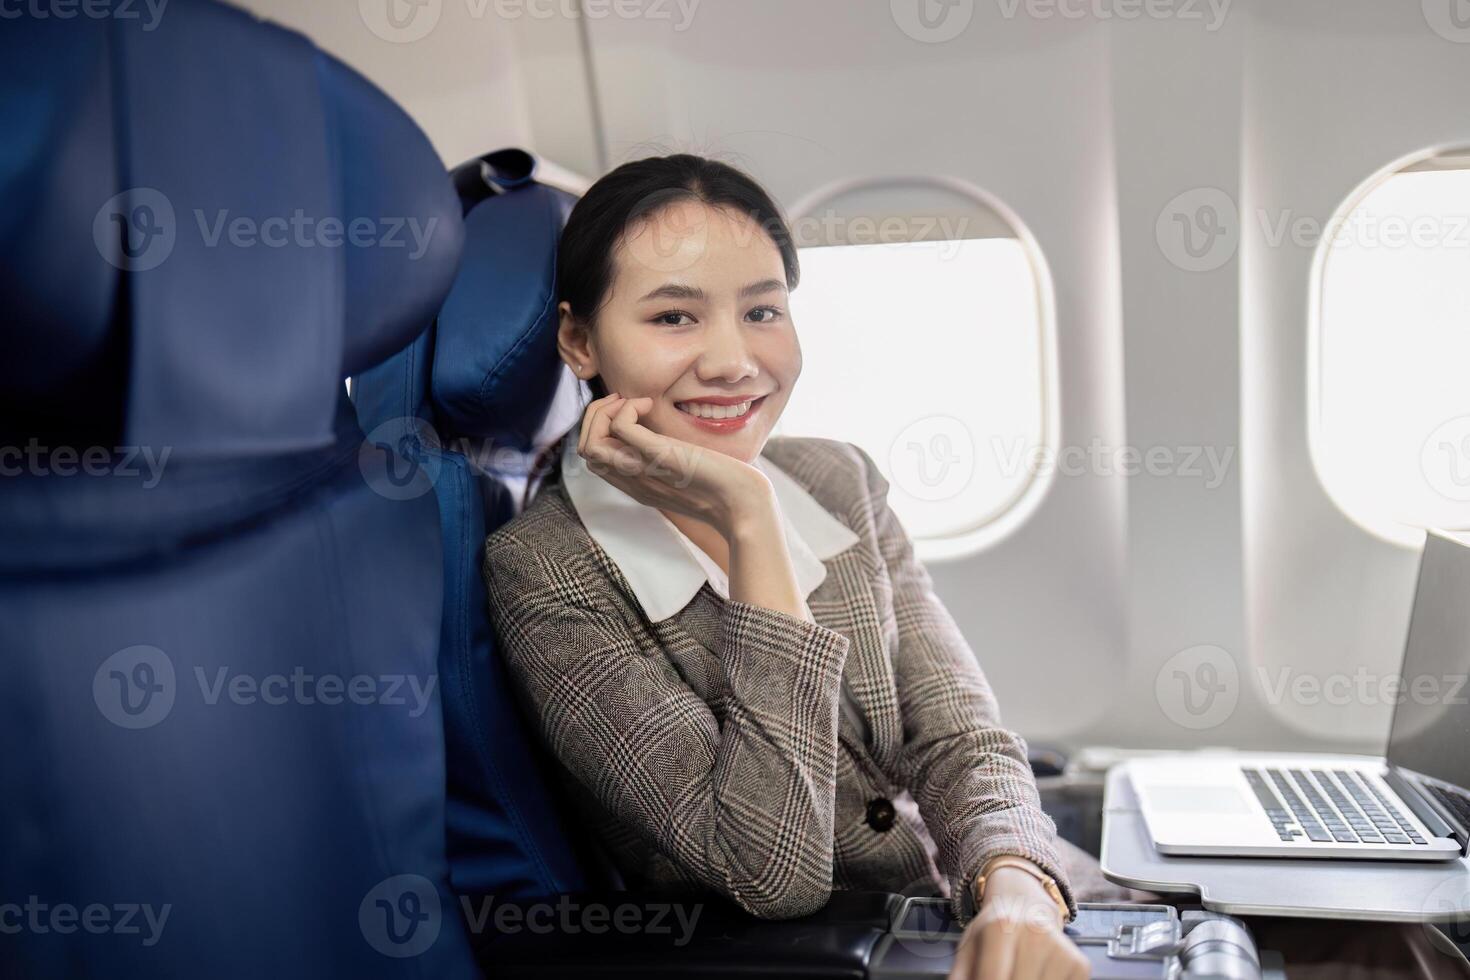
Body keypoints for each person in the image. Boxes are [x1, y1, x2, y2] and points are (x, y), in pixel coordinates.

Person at [483, 153, 1110, 980]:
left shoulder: (837, 481)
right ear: (578, 338)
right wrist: (751, 524)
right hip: (832, 955)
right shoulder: (546, 569)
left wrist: (1019, 892)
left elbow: (959, 737)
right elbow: (769, 868)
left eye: (763, 311)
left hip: (976, 901)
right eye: (674, 318)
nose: (734, 361)